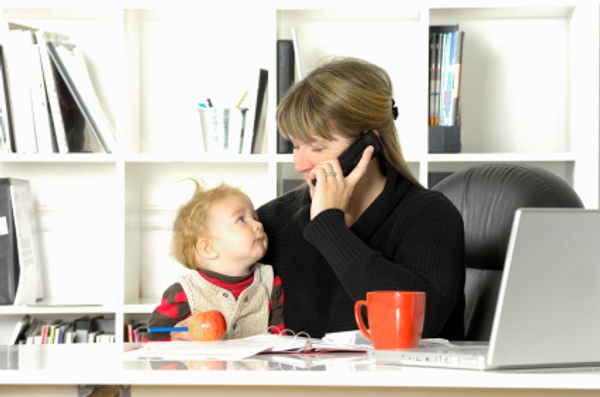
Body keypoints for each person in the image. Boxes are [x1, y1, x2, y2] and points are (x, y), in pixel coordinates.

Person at [257, 57, 465, 340]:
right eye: (295, 145)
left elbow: (419, 326)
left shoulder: (430, 216)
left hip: (398, 384)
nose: (300, 164)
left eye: (317, 148)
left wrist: (329, 229)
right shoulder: (273, 221)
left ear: (368, 145)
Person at [143, 179, 284, 342]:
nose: (259, 224)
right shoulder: (182, 294)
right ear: (208, 248)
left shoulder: (271, 284)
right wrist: (177, 343)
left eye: (254, 217)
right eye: (241, 219)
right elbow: (152, 346)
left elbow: (282, 344)